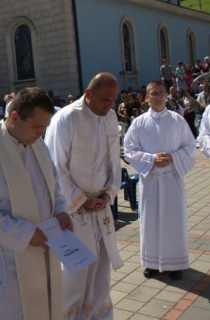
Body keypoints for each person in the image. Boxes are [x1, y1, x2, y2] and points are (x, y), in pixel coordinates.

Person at [0, 87, 71, 320]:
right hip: (4, 259)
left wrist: (61, 211)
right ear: (15, 117)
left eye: (45, 127)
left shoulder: (38, 144)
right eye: (37, 126)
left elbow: (53, 186)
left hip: (43, 251)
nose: (42, 133)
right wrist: (25, 233)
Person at [45, 73, 123, 319]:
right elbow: (55, 165)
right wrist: (82, 199)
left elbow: (113, 159)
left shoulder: (109, 117)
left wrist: (109, 193)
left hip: (100, 205)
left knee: (100, 264)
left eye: (112, 100)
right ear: (88, 94)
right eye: (104, 100)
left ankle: (96, 313)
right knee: (74, 270)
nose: (109, 105)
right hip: (75, 207)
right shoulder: (67, 118)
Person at [124, 81, 195, 281]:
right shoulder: (139, 123)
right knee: (150, 221)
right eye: (153, 93)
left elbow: (190, 146)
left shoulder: (177, 120)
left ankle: (175, 264)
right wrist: (151, 159)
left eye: (161, 93)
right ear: (146, 97)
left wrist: (172, 157)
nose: (157, 96)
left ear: (167, 96)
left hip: (172, 179)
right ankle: (151, 263)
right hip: (152, 180)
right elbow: (129, 149)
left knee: (173, 221)